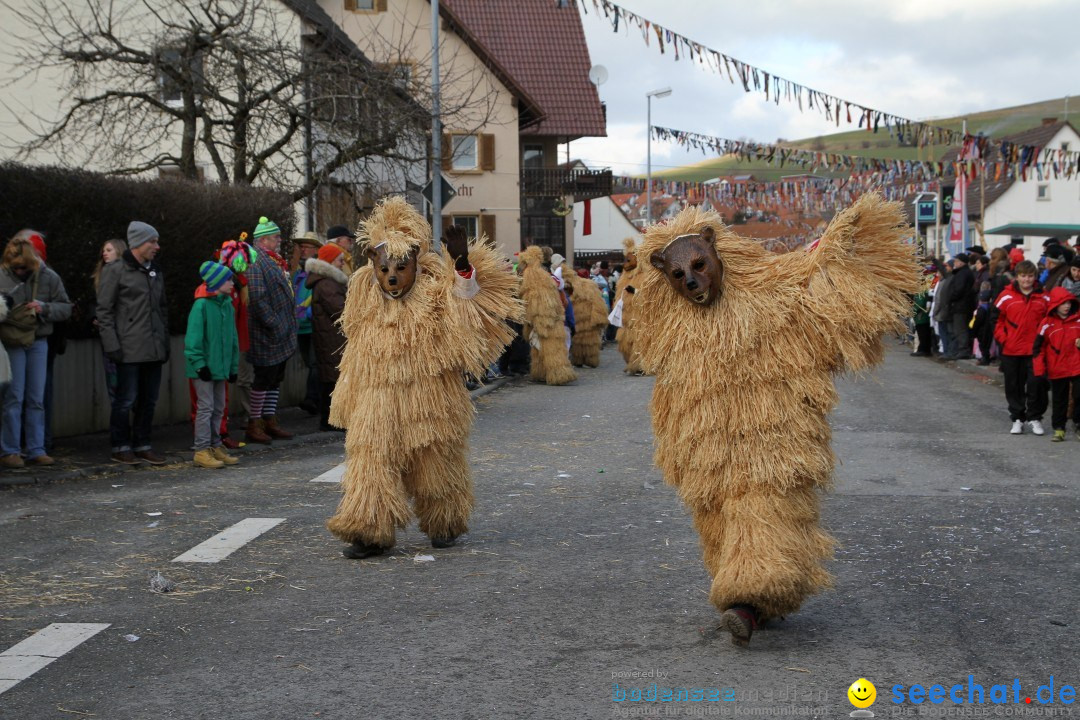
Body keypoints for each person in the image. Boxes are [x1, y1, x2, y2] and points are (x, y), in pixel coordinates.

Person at [327, 199, 520, 559]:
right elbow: (354, 352)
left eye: (401, 268)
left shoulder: (434, 291)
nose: (392, 277)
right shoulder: (363, 298)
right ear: (373, 266)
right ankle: (369, 528)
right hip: (378, 400)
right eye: (385, 269)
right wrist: (350, 395)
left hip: (431, 397)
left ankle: (444, 521)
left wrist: (462, 267)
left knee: (436, 461)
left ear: (416, 262)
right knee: (370, 459)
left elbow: (467, 308)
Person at [97, 221, 169, 464]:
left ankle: (143, 443)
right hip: (128, 348)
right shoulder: (116, 270)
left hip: (153, 348)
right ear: (139, 243)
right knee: (125, 399)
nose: (157, 246)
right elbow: (104, 311)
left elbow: (161, 309)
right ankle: (120, 445)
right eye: (153, 241)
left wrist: (164, 342)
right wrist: (112, 346)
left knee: (148, 400)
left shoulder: (155, 270)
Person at [0, 235, 72, 467]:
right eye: (16, 268)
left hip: (39, 340)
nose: (20, 272)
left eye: (25, 267)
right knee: (14, 396)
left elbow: (66, 308)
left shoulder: (49, 277)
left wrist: (44, 307)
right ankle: (10, 450)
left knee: (35, 398)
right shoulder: (2, 275)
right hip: (12, 340)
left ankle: (35, 449)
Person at [244, 216, 297, 443]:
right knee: (263, 379)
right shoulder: (256, 260)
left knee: (275, 379)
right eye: (275, 237)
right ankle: (254, 423)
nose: (279, 240)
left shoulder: (273, 259)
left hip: (280, 331)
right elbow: (257, 297)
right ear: (263, 239)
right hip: (267, 333)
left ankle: (269, 420)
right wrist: (274, 323)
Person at [184, 261, 240, 468]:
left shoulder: (226, 304)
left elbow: (232, 340)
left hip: (219, 367)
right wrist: (199, 365)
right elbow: (193, 339)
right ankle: (201, 449)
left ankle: (215, 445)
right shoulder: (201, 306)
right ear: (217, 282)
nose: (232, 283)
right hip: (204, 368)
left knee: (218, 407)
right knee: (205, 408)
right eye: (228, 279)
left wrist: (233, 367)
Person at [993, 260, 1049, 436]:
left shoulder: (1044, 298)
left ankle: (1035, 418)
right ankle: (1017, 418)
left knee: (1037, 385)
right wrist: (1004, 339)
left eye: (1030, 276)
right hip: (1012, 349)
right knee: (1013, 385)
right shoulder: (1005, 296)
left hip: (1035, 350)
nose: (1026, 280)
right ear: (1017, 277)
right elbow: (996, 320)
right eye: (1023, 276)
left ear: (1035, 277)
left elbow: (1050, 322)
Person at [304, 243, 348, 431]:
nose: (342, 263)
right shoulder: (328, 284)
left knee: (330, 378)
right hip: (332, 339)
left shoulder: (324, 282)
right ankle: (331, 420)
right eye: (339, 260)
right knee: (333, 379)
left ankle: (330, 419)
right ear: (330, 261)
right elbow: (341, 311)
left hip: (329, 338)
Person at [1033, 288, 1080, 442]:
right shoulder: (1046, 323)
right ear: (1055, 305)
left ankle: (1078, 424)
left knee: (1079, 395)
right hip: (1057, 367)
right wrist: (1040, 370)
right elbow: (1038, 348)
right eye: (1063, 303)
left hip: (1077, 365)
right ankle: (1059, 429)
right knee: (1060, 399)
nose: (1067, 306)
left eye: (1069, 303)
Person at [91, 239, 128, 402]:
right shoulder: (100, 276)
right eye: (104, 250)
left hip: (126, 335)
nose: (104, 253)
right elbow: (96, 304)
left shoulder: (129, 275)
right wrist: (95, 317)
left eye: (109, 250)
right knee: (113, 383)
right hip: (108, 336)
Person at [291, 231, 322, 415]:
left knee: (314, 363)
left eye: (306, 246)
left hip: (313, 324)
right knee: (310, 364)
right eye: (301, 246)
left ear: (316, 250)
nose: (302, 250)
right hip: (300, 326)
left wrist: (309, 313)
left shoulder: (317, 270)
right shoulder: (299, 271)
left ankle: (313, 400)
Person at [946, 253, 975, 359]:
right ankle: (961, 349)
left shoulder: (962, 274)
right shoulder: (964, 272)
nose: (954, 263)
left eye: (955, 261)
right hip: (963, 305)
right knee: (961, 328)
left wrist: (951, 297)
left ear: (961, 262)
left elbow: (959, 290)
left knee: (960, 328)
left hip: (961, 305)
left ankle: (963, 350)